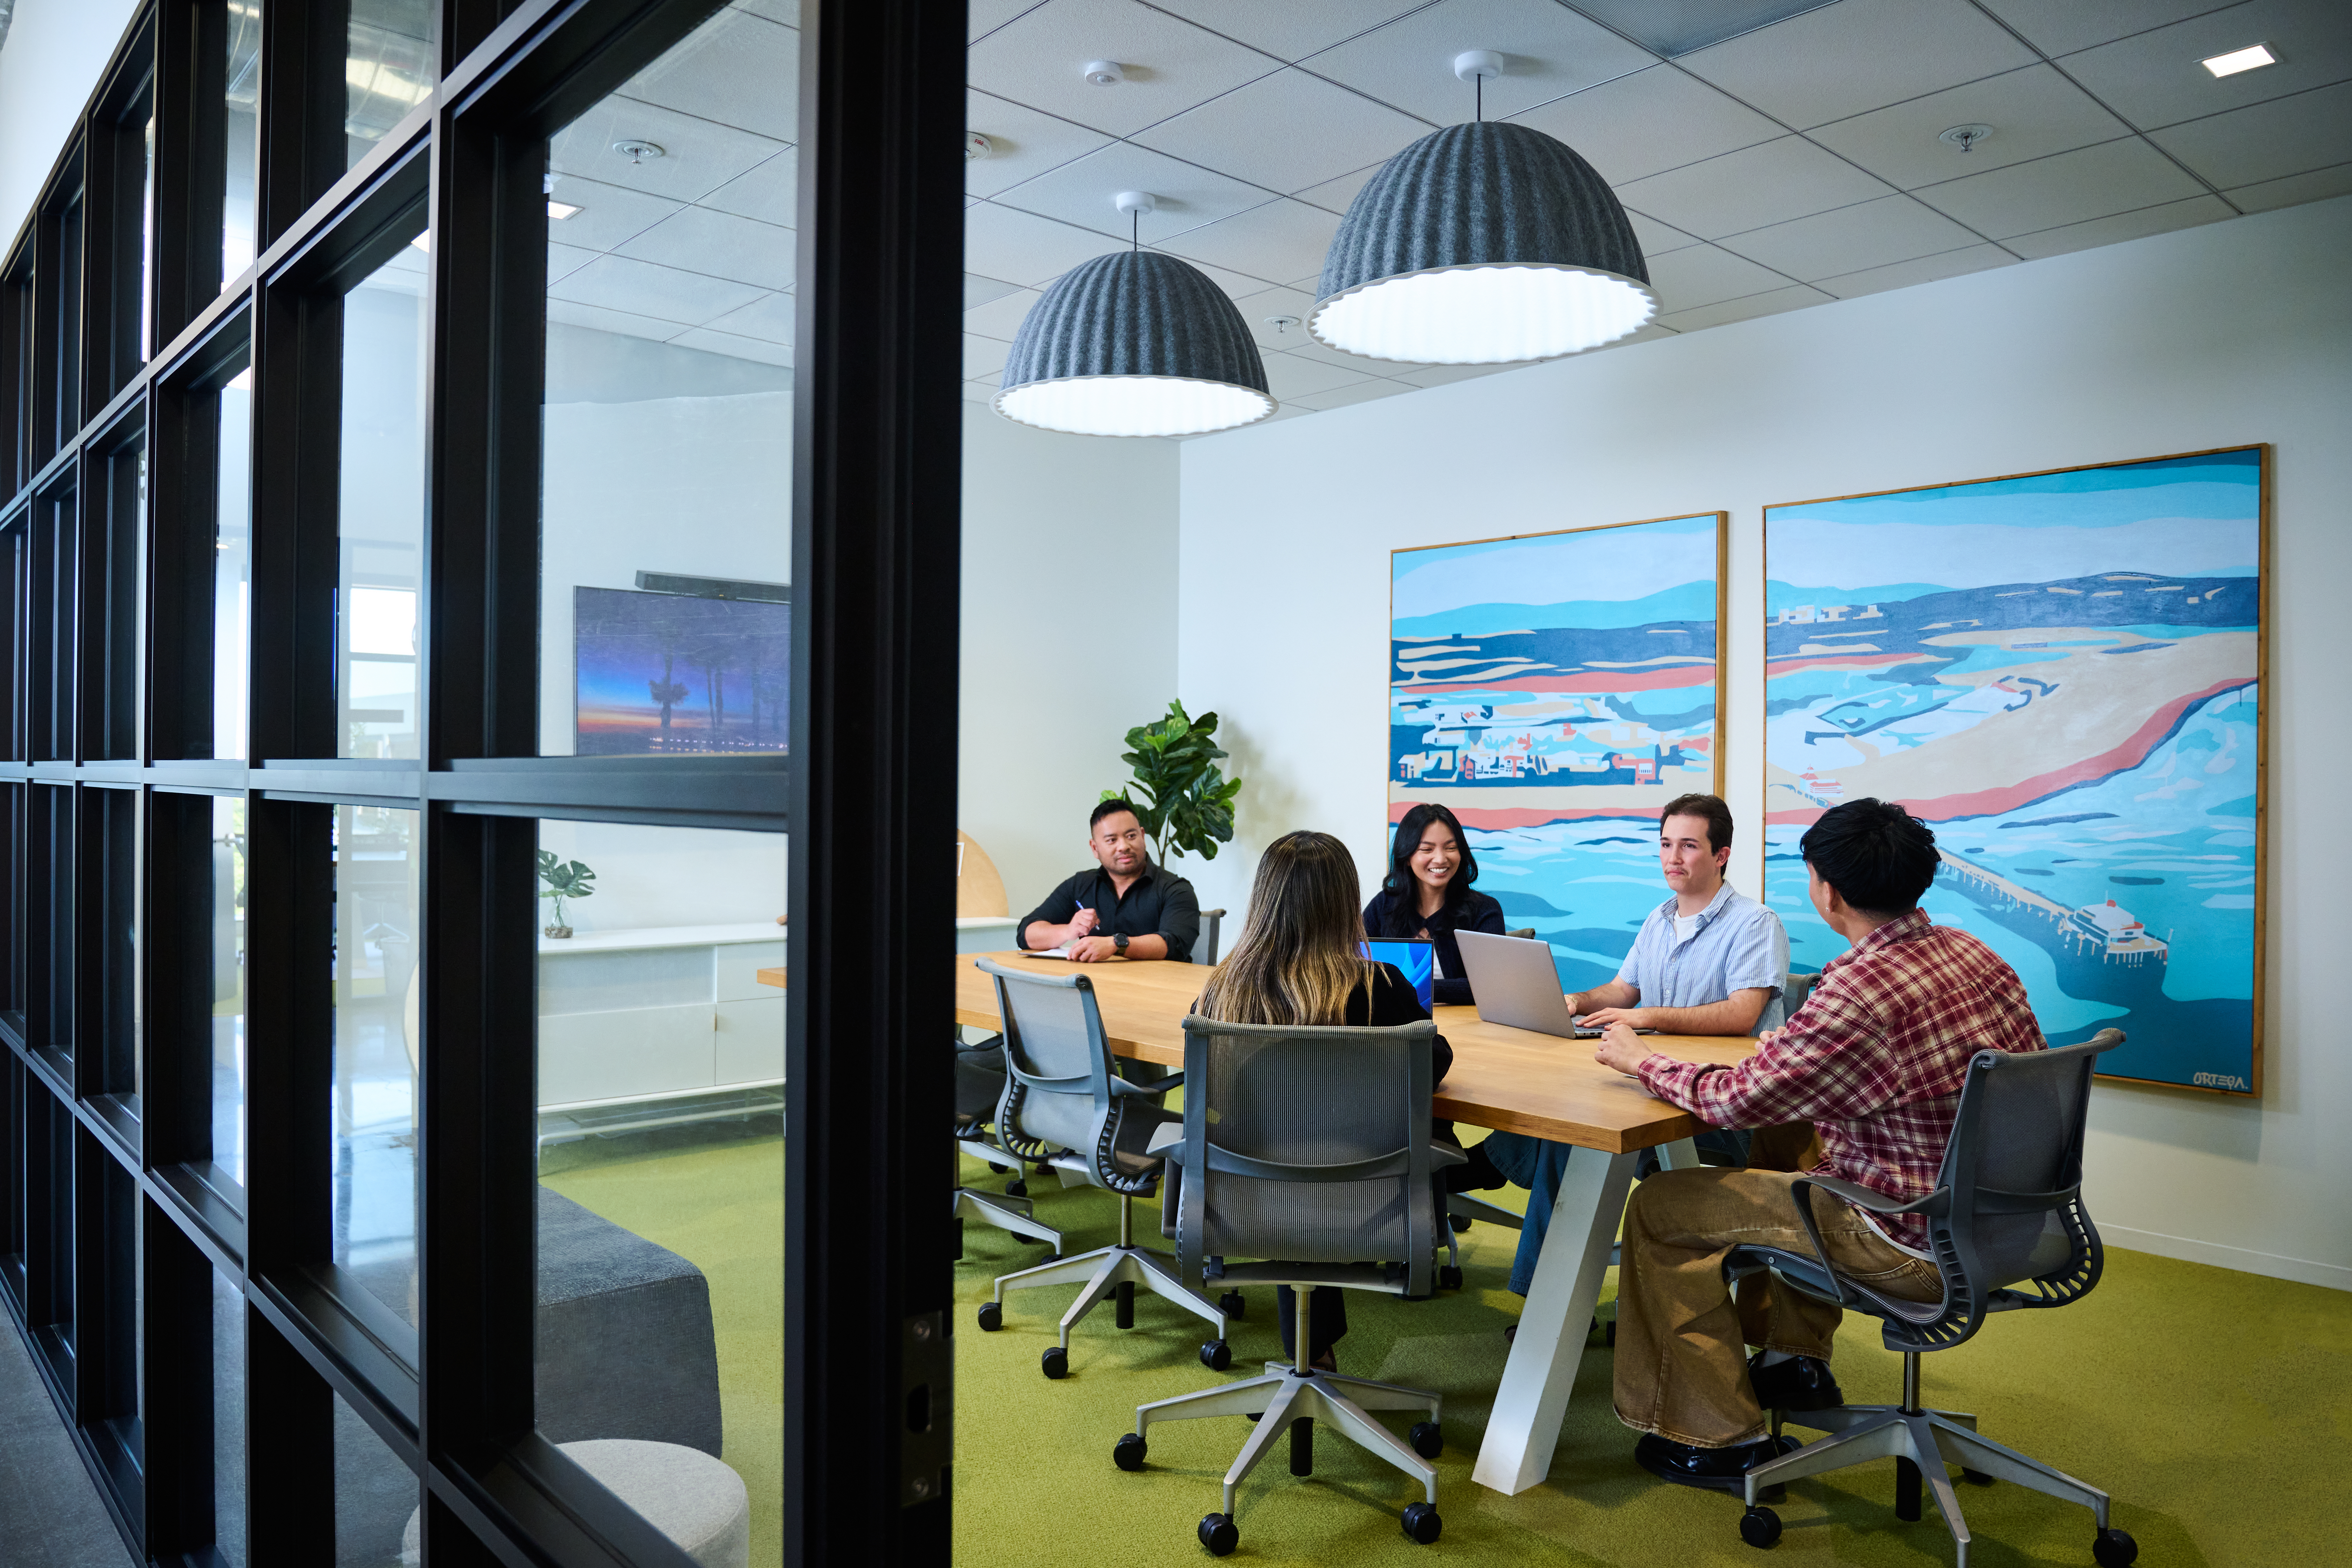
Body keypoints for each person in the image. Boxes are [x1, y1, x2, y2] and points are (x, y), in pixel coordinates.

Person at [1594, 798, 2045, 1493]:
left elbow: (1732, 1101)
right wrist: (1796, 1051)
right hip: (2013, 1221)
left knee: (1662, 1205)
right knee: (1790, 1132)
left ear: (1826, 890)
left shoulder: (1860, 986)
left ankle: (1714, 1436)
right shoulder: (1976, 954)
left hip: (1910, 1238)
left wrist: (1638, 1060)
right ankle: (1792, 1360)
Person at [1451, 793, 1790, 1297]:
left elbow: (1741, 1013)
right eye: (1665, 844)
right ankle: (1547, 1288)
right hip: (1650, 1087)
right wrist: (1578, 999)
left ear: (1721, 855)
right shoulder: (1658, 919)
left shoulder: (1754, 923)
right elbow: (1623, 989)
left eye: (1689, 846)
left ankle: (1542, 1288)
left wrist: (1645, 1016)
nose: (1673, 858)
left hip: (1715, 1108)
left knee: (1573, 1135)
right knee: (1565, 1111)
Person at [1194, 830, 1453, 1370]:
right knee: (1335, 1148)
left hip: (1249, 1197)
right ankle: (1317, 1349)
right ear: (1344, 902)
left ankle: (1314, 1351)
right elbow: (1432, 1063)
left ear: (1263, 900)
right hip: (1368, 1199)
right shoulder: (1382, 987)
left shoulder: (1221, 993)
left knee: (1291, 1148)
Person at [1017, 798, 1201, 963]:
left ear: (1143, 837)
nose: (1124, 846)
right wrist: (1068, 931)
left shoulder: (1175, 889)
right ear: (1095, 848)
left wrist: (1116, 944)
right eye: (1112, 840)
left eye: (1131, 836)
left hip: (1161, 991)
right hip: (1098, 990)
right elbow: (1026, 933)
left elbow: (1175, 944)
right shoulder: (1081, 885)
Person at [1361, 803, 1506, 1006]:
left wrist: (1412, 988)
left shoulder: (1485, 910)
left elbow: (1492, 986)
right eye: (1427, 849)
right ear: (1407, 856)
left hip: (1465, 1027)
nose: (1441, 858)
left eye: (1451, 848)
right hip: (1395, 1028)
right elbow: (1353, 966)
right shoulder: (1384, 905)